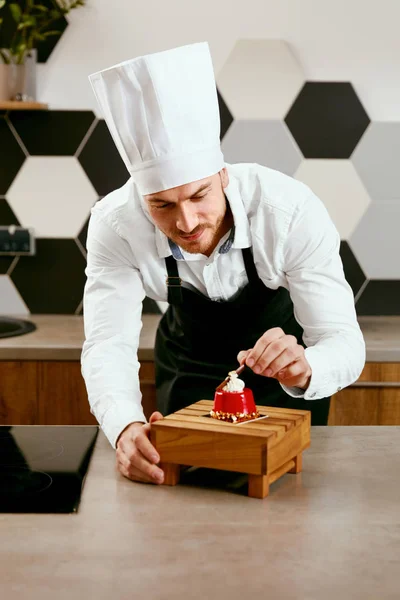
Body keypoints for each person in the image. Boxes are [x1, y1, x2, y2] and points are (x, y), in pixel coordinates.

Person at [82, 42, 365, 486]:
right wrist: (123, 426)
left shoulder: (288, 212)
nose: (187, 222)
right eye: (161, 205)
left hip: (281, 376)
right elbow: (107, 344)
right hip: (187, 364)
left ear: (223, 175)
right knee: (187, 491)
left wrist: (307, 366)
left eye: (198, 195)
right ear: (141, 198)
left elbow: (342, 342)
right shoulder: (115, 225)